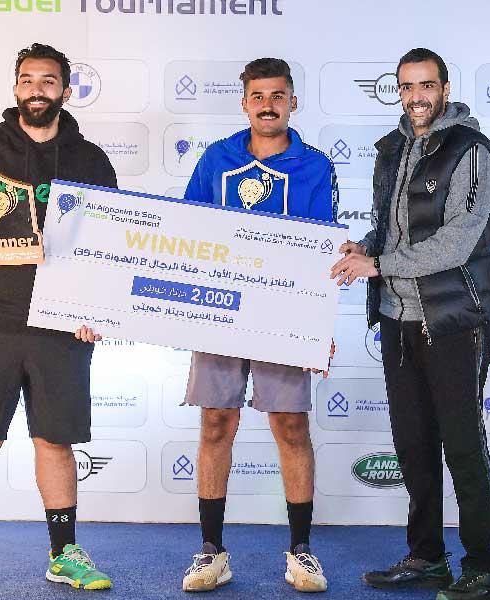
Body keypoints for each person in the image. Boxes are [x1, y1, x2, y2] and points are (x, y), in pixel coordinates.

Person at [0, 42, 117, 599]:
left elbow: (109, 242)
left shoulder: (90, 159)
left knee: (55, 441)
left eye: (49, 81)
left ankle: (64, 555)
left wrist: (96, 308)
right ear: (15, 88)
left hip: (62, 323)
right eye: (28, 80)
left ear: (65, 90)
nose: (38, 90)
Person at [331, 48, 490, 600]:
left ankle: (482, 569)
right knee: (413, 445)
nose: (416, 97)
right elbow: (391, 228)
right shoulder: (391, 148)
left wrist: (378, 264)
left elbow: (457, 242)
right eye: (407, 87)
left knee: (462, 444)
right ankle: (428, 557)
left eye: (426, 86)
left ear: (445, 88)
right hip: (396, 318)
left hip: (453, 318)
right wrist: (365, 248)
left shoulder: (471, 150)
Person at [179, 57, 338, 594]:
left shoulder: (314, 166)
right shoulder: (216, 159)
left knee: (291, 426)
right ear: (244, 103)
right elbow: (186, 232)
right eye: (258, 96)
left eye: (277, 96)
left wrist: (318, 327)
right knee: (215, 422)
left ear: (293, 102)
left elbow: (321, 251)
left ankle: (301, 551)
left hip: (283, 317)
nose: (267, 105)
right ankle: (211, 550)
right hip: (221, 312)